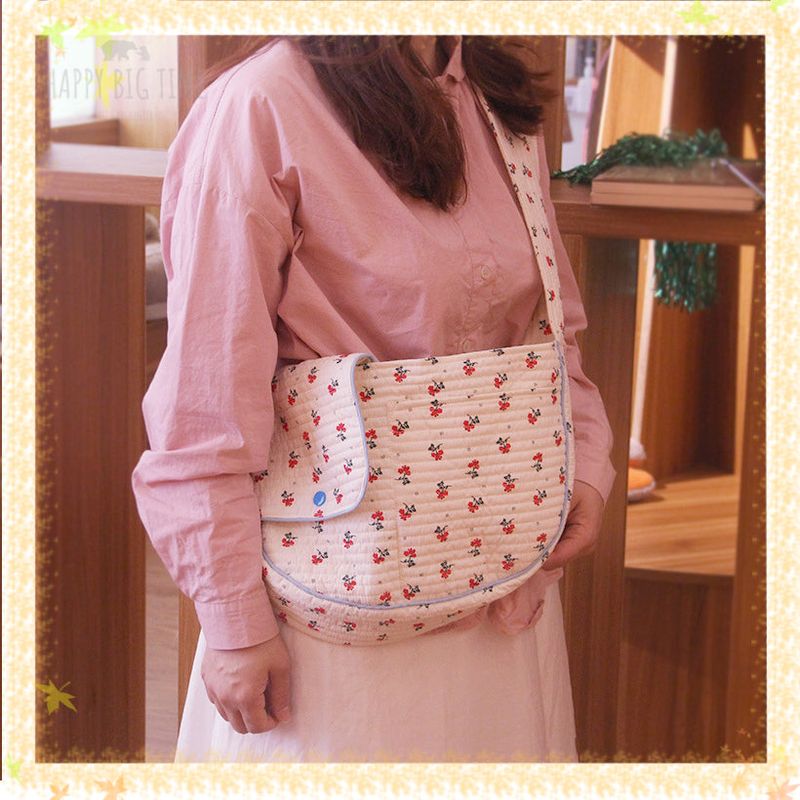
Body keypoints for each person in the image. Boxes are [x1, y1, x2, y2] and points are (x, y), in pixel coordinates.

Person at [131, 34, 617, 763]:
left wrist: (587, 466)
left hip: (506, 582)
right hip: (333, 609)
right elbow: (205, 402)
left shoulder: (494, 94)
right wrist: (234, 622)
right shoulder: (261, 105)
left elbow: (553, 326)